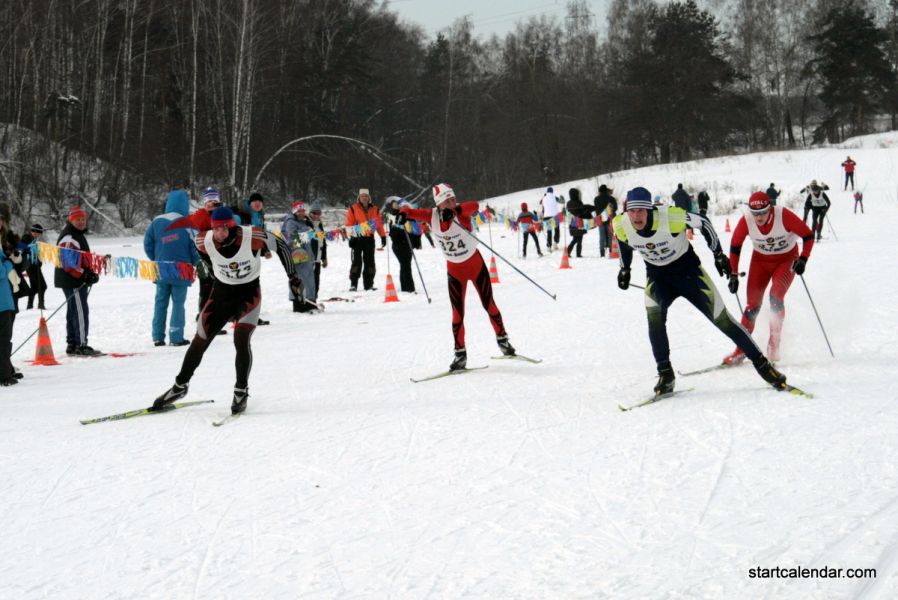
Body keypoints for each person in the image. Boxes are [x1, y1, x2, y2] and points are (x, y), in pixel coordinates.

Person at [612, 186, 788, 396]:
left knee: (723, 320)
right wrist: (625, 268)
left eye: (641, 211)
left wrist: (718, 254)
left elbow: (703, 222)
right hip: (658, 278)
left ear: (649, 210)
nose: (636, 216)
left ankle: (764, 367)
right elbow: (623, 241)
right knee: (654, 321)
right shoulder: (620, 224)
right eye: (632, 211)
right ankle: (666, 375)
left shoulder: (670, 217)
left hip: (689, 275)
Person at [154, 206, 298, 415]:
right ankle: (180, 386)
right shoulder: (203, 241)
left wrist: (293, 277)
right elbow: (205, 258)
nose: (219, 234)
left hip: (248, 294)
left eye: (224, 229)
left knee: (241, 338)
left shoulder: (252, 236)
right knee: (200, 339)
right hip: (221, 294)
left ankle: (241, 390)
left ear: (232, 227)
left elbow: (282, 246)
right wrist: (213, 274)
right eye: (216, 229)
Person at [401, 183, 516, 370]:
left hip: (475, 265)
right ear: (439, 204)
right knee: (457, 313)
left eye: (453, 199)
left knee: (489, 303)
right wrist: (402, 213)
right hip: (455, 270)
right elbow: (411, 212)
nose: (452, 203)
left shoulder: (461, 211)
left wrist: (455, 210)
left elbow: (474, 205)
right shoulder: (431, 215)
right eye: (447, 201)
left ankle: (503, 341)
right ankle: (460, 355)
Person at [723, 191, 814, 364]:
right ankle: (741, 350)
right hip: (760, 262)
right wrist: (733, 274)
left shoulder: (783, 215)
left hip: (786, 259)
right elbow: (735, 246)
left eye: (763, 213)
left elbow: (808, 236)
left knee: (775, 297)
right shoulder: (747, 220)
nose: (758, 217)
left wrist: (803, 258)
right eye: (755, 213)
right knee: (752, 306)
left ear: (770, 208)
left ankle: (774, 345)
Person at [144, 188, 199, 346]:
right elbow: (196, 247)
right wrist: (195, 262)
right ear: (185, 204)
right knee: (178, 303)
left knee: (160, 302)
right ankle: (176, 337)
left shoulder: (156, 221)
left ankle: (157, 336)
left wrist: (156, 258)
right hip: (182, 269)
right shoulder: (189, 223)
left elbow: (148, 244)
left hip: (161, 268)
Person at [55, 206, 102, 356]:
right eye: (78, 220)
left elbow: (81, 258)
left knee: (73, 310)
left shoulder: (77, 234)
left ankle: (73, 343)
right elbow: (68, 263)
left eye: (83, 219)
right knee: (81, 311)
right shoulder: (69, 237)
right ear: (71, 220)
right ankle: (81, 344)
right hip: (72, 280)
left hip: (74, 279)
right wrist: (84, 274)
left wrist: (89, 272)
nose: (81, 222)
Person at [345, 188, 386, 291]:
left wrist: (383, 236)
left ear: (369, 198)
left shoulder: (375, 209)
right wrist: (352, 237)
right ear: (359, 198)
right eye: (362, 196)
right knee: (356, 262)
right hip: (357, 238)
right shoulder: (353, 208)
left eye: (366, 196)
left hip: (369, 239)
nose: (364, 198)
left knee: (370, 262)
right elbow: (349, 225)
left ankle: (369, 284)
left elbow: (378, 224)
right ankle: (353, 284)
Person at [281, 200, 319, 312]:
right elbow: (292, 238)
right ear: (294, 212)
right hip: (298, 256)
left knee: (308, 279)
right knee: (300, 279)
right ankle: (299, 304)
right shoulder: (291, 222)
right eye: (299, 211)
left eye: (303, 211)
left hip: (306, 255)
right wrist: (307, 234)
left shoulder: (303, 222)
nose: (302, 213)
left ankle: (309, 301)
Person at [384, 197, 415, 292]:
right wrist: (401, 230)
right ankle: (409, 287)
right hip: (399, 244)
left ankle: (405, 287)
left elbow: (412, 228)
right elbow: (393, 233)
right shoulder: (392, 216)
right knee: (406, 265)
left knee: (405, 265)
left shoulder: (406, 215)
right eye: (395, 205)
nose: (397, 206)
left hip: (407, 243)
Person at [0, 220, 16, 386]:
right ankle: (4, 375)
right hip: (2, 303)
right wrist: (7, 263)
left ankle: (8, 369)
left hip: (6, 300)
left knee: (5, 339)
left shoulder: (4, 241)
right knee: (4, 339)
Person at [22, 224, 48, 310]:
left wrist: (39, 261)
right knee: (42, 286)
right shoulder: (26, 237)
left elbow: (35, 253)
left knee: (34, 287)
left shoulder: (33, 239)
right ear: (34, 231)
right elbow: (20, 248)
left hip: (34, 266)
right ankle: (41, 304)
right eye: (37, 232)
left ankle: (29, 306)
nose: (38, 235)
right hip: (31, 267)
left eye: (39, 233)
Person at [566, 190, 596, 258]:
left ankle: (569, 252)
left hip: (572, 223)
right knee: (579, 239)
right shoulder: (578, 202)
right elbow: (583, 211)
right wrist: (589, 218)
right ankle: (577, 254)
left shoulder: (568, 203)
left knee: (575, 239)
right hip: (579, 223)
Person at [308, 201, 328, 294]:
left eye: (318, 213)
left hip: (318, 259)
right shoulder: (306, 224)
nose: (316, 215)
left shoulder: (319, 225)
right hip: (308, 259)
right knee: (309, 282)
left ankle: (314, 299)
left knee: (316, 283)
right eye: (314, 213)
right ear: (310, 213)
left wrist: (324, 258)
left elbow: (323, 243)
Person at [594, 184, 618, 257]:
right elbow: (615, 208)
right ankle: (611, 250)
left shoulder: (596, 199)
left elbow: (596, 209)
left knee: (602, 237)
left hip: (600, 220)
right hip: (610, 219)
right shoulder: (611, 198)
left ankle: (602, 253)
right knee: (610, 236)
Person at [539, 187, 561, 251]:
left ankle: (549, 246)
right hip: (554, 216)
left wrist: (544, 197)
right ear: (552, 191)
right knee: (557, 230)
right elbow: (561, 201)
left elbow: (540, 202)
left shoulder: (544, 198)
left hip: (547, 216)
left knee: (549, 231)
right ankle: (555, 243)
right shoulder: (554, 197)